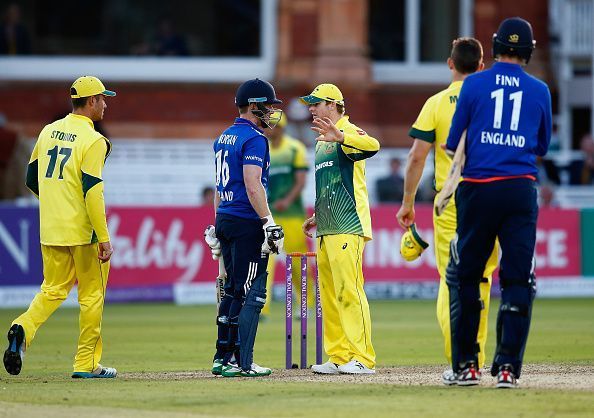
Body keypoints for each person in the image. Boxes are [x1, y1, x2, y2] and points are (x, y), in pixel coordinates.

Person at [445, 17, 551, 388]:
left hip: (477, 189)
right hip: (519, 189)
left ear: (494, 46)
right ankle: (507, 367)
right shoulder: (540, 90)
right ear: (528, 50)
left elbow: (453, 141)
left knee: (468, 278)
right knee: (519, 277)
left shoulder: (473, 83)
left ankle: (466, 367)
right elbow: (541, 146)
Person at [396, 38, 499, 386]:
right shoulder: (491, 100)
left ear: (450, 64)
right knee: (481, 280)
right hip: (491, 196)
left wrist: (408, 203)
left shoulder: (437, 103)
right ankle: (476, 359)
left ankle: (459, 360)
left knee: (452, 281)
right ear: (481, 66)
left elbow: (416, 157)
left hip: (451, 201)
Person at [3, 76, 117, 378]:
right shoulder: (94, 140)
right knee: (92, 295)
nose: (105, 104)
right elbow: (93, 191)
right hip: (83, 232)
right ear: (90, 102)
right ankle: (86, 364)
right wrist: (103, 236)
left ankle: (22, 328)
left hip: (51, 228)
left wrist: (57, 202)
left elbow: (31, 178)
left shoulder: (48, 131)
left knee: (52, 290)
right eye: (102, 99)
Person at [204, 78, 285, 377]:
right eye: (267, 106)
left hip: (225, 216)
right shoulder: (254, 138)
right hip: (245, 221)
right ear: (253, 106)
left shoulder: (223, 137)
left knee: (232, 292)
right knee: (250, 293)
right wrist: (269, 223)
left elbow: (218, 186)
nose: (270, 112)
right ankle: (242, 362)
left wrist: (216, 224)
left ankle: (221, 357)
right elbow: (253, 186)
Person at [301, 83, 379, 374]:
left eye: (316, 103)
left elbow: (374, 145)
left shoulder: (348, 130)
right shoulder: (321, 140)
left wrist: (342, 136)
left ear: (332, 104)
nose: (311, 108)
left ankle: (363, 358)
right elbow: (330, 182)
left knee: (350, 291)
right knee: (330, 295)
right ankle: (339, 356)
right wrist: (317, 212)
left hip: (349, 225)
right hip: (327, 227)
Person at [262, 112, 310, 319]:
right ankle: (260, 307)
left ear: (283, 127)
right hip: (269, 215)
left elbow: (301, 181)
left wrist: (287, 201)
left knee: (297, 261)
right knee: (265, 261)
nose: (271, 130)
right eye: (269, 126)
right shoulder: (261, 148)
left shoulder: (294, 148)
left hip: (292, 214)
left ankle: (306, 304)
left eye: (275, 126)